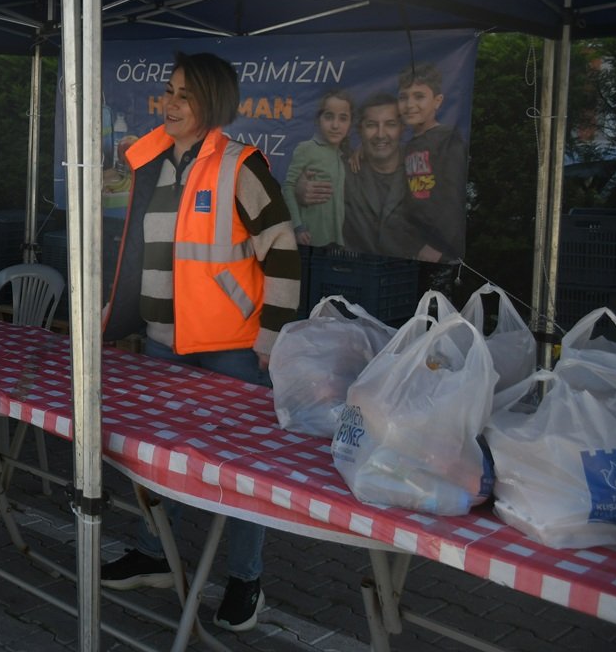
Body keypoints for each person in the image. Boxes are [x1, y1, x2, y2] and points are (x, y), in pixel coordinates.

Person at [99, 52, 300, 633]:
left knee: (238, 469)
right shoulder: (156, 164)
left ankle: (246, 579)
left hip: (232, 350)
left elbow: (282, 252)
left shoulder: (241, 167)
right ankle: (155, 554)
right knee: (155, 457)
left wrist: (272, 336)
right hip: (164, 344)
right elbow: (140, 256)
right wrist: (120, 317)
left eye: (182, 95)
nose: (169, 102)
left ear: (210, 102)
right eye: (168, 92)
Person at [397, 62, 468, 262]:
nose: (410, 104)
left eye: (419, 96)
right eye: (403, 97)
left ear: (437, 101)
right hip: (414, 246)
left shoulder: (447, 139)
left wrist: (437, 247)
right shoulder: (410, 144)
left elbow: (454, 198)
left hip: (440, 251)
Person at [337, 93, 423, 258]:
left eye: (390, 124)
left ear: (402, 128)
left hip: (407, 273)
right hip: (355, 271)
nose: (381, 134)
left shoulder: (423, 166)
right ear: (360, 130)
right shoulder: (341, 169)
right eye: (371, 125)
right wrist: (301, 190)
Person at [282, 88, 353, 247]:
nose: (335, 125)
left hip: (337, 241)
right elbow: (288, 186)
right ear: (318, 119)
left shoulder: (344, 155)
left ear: (350, 124)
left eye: (343, 118)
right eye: (329, 117)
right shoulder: (307, 148)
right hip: (311, 239)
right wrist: (298, 227)